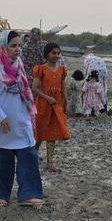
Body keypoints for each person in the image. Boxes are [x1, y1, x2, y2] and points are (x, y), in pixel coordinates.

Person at [0, 30, 44, 207]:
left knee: (28, 156)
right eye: (13, 46)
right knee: (0, 159)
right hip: (1, 123)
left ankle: (29, 194)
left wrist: (31, 117)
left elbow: (25, 93)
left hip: (21, 120)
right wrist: (0, 116)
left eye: (19, 46)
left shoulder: (19, 65)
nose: (18, 49)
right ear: (3, 46)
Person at [32, 43, 70, 172]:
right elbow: (34, 88)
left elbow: (63, 86)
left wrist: (66, 101)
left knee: (53, 134)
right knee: (40, 132)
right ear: (47, 54)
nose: (56, 55)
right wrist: (47, 98)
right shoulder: (41, 69)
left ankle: (50, 162)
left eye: (58, 53)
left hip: (57, 105)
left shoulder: (62, 70)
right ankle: (32, 157)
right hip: (43, 105)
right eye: (53, 53)